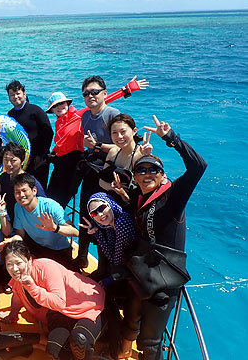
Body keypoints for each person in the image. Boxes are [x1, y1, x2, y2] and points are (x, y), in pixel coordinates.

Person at [115, 115, 207, 360]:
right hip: (142, 271)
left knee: (150, 341)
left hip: (165, 279)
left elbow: (198, 167)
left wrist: (171, 138)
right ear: (135, 177)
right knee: (130, 320)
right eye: (141, 170)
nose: (147, 174)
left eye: (153, 170)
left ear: (162, 175)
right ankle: (121, 354)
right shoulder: (139, 196)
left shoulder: (172, 197)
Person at [77, 75, 148, 268]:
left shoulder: (112, 113)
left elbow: (120, 144)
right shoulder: (85, 116)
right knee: (88, 212)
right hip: (96, 172)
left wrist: (97, 146)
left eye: (94, 92)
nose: (90, 96)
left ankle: (107, 265)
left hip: (113, 171)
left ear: (104, 94)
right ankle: (82, 256)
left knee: (107, 218)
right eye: (86, 93)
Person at [0, 241, 105, 360]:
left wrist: (32, 287)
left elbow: (59, 303)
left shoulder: (46, 267)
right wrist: (11, 316)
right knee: (53, 351)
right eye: (9, 264)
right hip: (63, 314)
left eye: (18, 263)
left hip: (90, 305)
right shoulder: (18, 279)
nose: (14, 268)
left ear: (29, 260)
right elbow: (17, 297)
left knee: (80, 340)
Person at [79, 192, 137, 358]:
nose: (100, 214)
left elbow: (115, 260)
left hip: (132, 276)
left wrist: (97, 234)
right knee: (91, 285)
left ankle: (114, 345)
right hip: (125, 272)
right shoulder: (111, 225)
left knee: (103, 293)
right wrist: (97, 232)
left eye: (102, 208)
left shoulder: (121, 223)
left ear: (110, 204)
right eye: (94, 213)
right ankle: (107, 333)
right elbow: (113, 258)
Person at [0, 173, 79, 272]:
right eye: (17, 192)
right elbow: (20, 234)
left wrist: (55, 228)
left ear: (34, 191)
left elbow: (75, 232)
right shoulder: (18, 207)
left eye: (24, 190)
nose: (21, 195)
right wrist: (10, 241)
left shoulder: (50, 206)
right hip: (37, 247)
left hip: (59, 250)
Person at [6, 80, 53, 189]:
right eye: (12, 95)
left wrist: (40, 156)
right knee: (22, 188)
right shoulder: (10, 114)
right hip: (22, 160)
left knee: (38, 188)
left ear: (24, 94)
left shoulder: (36, 111)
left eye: (18, 93)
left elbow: (48, 133)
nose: (15, 97)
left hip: (39, 160)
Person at [45, 92, 86, 208]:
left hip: (74, 164)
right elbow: (60, 142)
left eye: (61, 103)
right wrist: (53, 153)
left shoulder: (78, 116)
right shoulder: (59, 123)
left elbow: (101, 102)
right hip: (60, 164)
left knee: (61, 202)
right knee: (50, 198)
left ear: (67, 103)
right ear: (52, 110)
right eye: (55, 106)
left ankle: (59, 225)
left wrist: (125, 90)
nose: (59, 107)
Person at [98, 113, 152, 200]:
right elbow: (101, 181)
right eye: (114, 132)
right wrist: (113, 188)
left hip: (135, 203)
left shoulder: (141, 155)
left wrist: (147, 156)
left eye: (123, 132)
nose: (119, 136)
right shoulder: (113, 152)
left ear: (134, 131)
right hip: (114, 198)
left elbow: (151, 185)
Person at [0, 142, 46, 222]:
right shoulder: (3, 177)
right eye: (5, 159)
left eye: (13, 160)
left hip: (26, 224)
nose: (8, 164)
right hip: (7, 222)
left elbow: (44, 206)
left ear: (22, 161)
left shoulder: (31, 182)